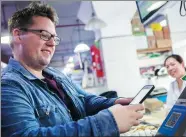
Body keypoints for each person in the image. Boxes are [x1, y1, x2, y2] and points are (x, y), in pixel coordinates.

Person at [1, 2, 144, 137]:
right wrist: (109, 122)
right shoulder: (8, 86)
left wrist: (114, 103)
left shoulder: (55, 75)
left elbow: (85, 100)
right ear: (18, 35)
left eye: (54, 38)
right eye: (44, 35)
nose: (52, 44)